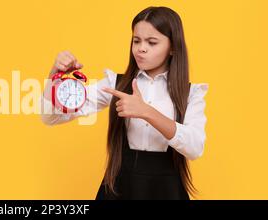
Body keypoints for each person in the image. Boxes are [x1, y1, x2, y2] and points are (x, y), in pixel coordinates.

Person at [41, 6, 208, 200]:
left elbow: (195, 147)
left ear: (172, 47)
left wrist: (147, 112)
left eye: (152, 42)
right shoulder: (116, 84)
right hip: (120, 188)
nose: (141, 48)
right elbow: (51, 117)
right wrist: (54, 76)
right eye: (136, 40)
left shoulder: (190, 93)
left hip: (166, 191)